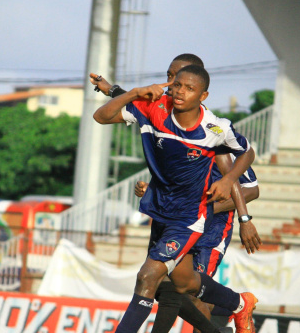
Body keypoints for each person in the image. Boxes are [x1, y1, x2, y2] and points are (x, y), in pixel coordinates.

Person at [91, 54, 261, 332]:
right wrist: (120, 90)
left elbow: (245, 169)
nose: (173, 86)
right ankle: (239, 303)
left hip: (198, 219)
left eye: (183, 83)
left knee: (150, 277)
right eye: (172, 79)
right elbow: (105, 114)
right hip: (160, 210)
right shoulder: (155, 108)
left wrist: (243, 216)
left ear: (202, 92)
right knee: (182, 285)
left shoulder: (214, 129)